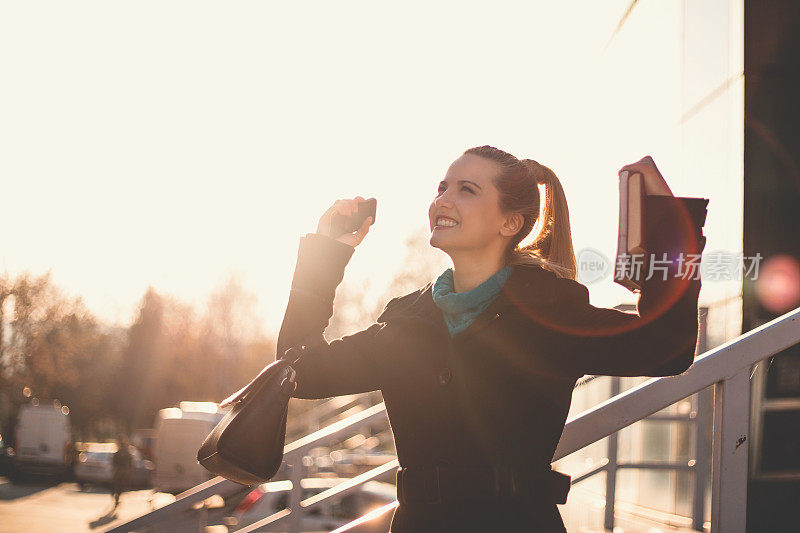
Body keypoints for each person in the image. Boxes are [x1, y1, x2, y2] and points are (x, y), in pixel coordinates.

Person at [276, 145, 706, 532]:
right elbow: (300, 369)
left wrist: (670, 221)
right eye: (442, 187)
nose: (443, 199)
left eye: (466, 190)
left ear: (510, 222)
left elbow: (666, 345)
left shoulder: (551, 311)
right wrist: (325, 252)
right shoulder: (405, 321)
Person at [111, 434, 133, 509]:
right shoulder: (125, 451)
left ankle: (116, 495)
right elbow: (129, 461)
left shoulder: (120, 451)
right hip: (122, 470)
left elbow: (114, 461)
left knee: (117, 484)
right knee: (119, 484)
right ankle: (117, 495)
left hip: (119, 470)